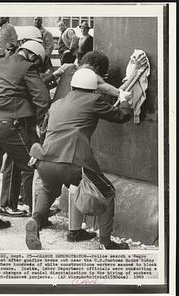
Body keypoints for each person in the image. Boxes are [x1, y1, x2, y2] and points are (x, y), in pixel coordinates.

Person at [25, 67, 133, 250]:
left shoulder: (57, 103)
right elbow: (121, 116)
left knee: (49, 190)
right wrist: (123, 100)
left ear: (72, 86)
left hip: (45, 160)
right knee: (107, 192)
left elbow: (44, 131)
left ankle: (37, 220)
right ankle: (106, 242)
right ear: (93, 88)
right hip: (73, 160)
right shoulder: (94, 99)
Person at [0, 40, 50, 231]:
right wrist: (37, 124)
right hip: (7, 123)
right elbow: (42, 99)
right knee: (33, 166)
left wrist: (0, 94)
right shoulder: (28, 66)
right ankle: (38, 218)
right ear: (33, 56)